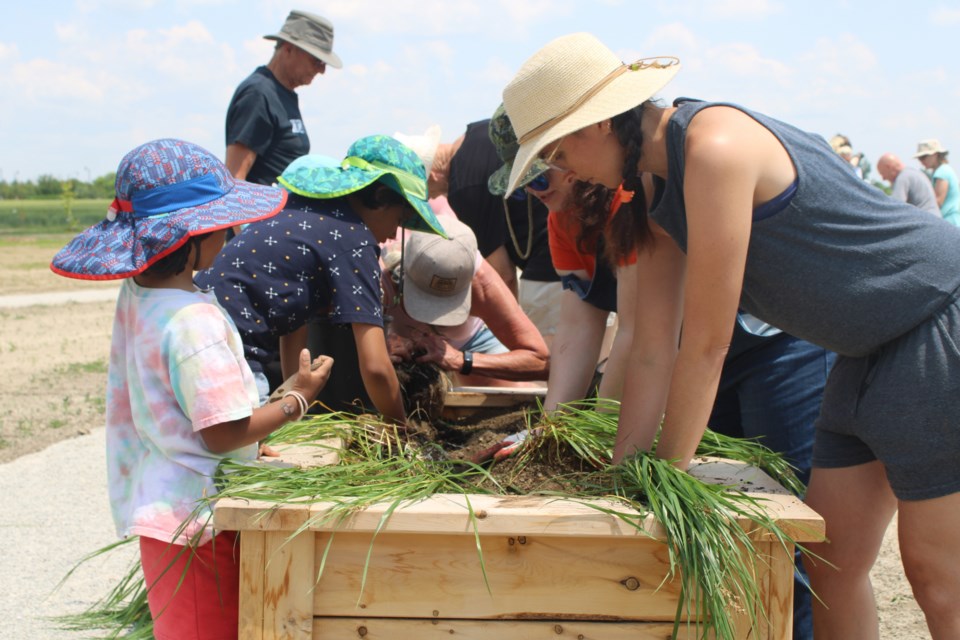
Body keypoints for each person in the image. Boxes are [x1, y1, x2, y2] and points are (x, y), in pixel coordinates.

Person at [502, 32, 960, 639]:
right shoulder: (654, 192)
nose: (561, 170)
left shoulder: (714, 146)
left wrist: (669, 479)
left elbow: (709, 344)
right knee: (829, 561)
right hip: (862, 349)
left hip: (930, 319)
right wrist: (626, 477)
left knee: (936, 575)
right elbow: (648, 349)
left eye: (557, 152)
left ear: (596, 126)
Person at [492, 101, 830, 638]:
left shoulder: (635, 188)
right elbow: (584, 336)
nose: (543, 191)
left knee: (780, 529)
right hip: (697, 359)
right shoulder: (566, 218)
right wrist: (558, 431)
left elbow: (642, 336)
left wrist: (624, 457)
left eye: (546, 168)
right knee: (726, 524)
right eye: (527, 184)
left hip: (767, 347)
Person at [49, 138, 334, 639]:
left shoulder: (142, 295)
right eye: (220, 224)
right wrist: (297, 399)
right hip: (199, 523)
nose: (231, 231)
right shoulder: (193, 321)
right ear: (190, 238)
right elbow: (222, 435)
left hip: (166, 512)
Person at [196, 136, 446, 423]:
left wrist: (295, 414)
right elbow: (376, 366)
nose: (393, 234)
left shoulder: (305, 210)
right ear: (379, 199)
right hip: (232, 357)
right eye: (398, 220)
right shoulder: (355, 239)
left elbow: (294, 325)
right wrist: (403, 431)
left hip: (196, 329)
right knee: (240, 454)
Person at [486, 104, 637, 410]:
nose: (534, 193)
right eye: (522, 186)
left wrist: (602, 421)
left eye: (538, 178)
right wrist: (554, 425)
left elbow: (637, 331)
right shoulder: (562, 221)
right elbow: (578, 324)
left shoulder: (629, 203)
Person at [398, 122, 563, 345]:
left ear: (433, 177)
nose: (436, 198)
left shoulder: (464, 187)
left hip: (549, 268)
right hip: (580, 243)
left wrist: (514, 344)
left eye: (429, 194)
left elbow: (502, 274)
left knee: (551, 367)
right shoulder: (478, 130)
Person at [383, 217, 549, 387]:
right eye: (425, 298)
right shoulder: (382, 281)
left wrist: (463, 360)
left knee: (520, 398)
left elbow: (541, 362)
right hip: (403, 354)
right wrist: (380, 347)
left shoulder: (483, 284)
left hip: (473, 342)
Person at [225, 10, 342, 185]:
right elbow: (235, 179)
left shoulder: (283, 94)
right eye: (316, 60)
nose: (322, 70)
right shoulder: (258, 94)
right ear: (288, 49)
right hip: (265, 211)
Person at [876, 152, 941, 216]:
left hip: (924, 221)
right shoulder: (914, 173)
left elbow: (896, 207)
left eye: (882, 174)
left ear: (888, 167)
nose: (883, 179)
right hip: (935, 219)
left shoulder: (902, 178)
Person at [914, 139, 960, 225]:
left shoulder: (942, 172)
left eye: (923, 157)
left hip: (949, 222)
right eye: (919, 158)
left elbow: (938, 202)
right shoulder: (942, 170)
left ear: (935, 155)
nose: (921, 161)